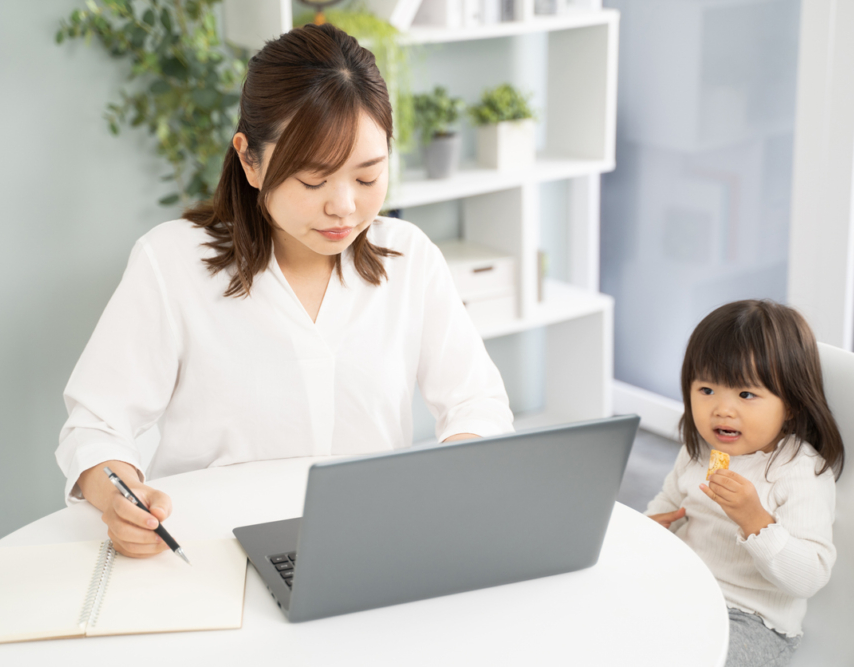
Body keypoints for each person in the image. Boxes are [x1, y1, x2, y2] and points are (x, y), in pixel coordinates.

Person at [55, 24, 514, 560]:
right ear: (250, 160)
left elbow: (477, 402)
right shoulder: (172, 262)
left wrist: (447, 479)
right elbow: (96, 426)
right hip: (210, 554)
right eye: (314, 182)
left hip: (369, 547)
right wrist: (119, 500)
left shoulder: (408, 258)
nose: (343, 207)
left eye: (367, 178)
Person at [646, 300, 844, 667]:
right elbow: (667, 503)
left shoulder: (799, 472)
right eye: (706, 390)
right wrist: (651, 529)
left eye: (746, 395)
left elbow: (810, 577)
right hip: (683, 591)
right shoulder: (699, 452)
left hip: (753, 621)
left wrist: (754, 519)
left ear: (792, 404)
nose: (722, 409)